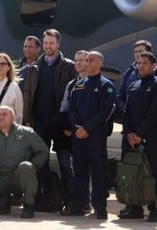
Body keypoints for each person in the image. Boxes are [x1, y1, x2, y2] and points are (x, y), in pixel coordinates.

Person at [22, 29, 77, 201]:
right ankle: (43, 198)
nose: (48, 46)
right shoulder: (35, 66)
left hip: (60, 124)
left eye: (51, 43)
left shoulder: (68, 66)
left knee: (65, 163)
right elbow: (28, 94)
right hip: (39, 122)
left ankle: (71, 200)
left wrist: (69, 123)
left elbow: (74, 97)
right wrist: (28, 119)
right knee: (40, 162)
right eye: (45, 43)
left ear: (58, 44)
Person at [119, 51, 157, 222]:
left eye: (145, 63)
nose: (141, 65)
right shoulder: (134, 85)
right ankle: (134, 206)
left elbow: (154, 113)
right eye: (139, 63)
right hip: (131, 137)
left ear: (154, 66)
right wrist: (130, 132)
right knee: (131, 170)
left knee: (152, 171)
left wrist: (139, 134)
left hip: (149, 137)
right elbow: (126, 112)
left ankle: (155, 207)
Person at [0, 106, 48, 218]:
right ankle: (4, 202)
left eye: (5, 114)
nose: (1, 117)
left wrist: (34, 166)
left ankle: (29, 204)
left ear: (13, 117)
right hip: (0, 178)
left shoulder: (27, 133)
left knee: (26, 166)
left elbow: (42, 151)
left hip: (19, 177)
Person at [66, 51, 115, 219]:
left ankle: (100, 207)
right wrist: (76, 128)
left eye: (90, 60)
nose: (87, 63)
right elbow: (71, 109)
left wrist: (87, 128)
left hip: (95, 136)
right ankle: (79, 204)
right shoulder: (78, 85)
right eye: (86, 60)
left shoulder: (106, 85)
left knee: (99, 172)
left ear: (100, 63)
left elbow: (104, 111)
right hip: (78, 136)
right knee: (79, 171)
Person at [56, 50, 88, 213]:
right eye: (76, 60)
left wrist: (86, 129)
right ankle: (73, 201)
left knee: (84, 169)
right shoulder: (72, 85)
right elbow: (64, 108)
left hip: (89, 134)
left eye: (82, 60)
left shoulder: (97, 83)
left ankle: (85, 201)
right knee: (69, 168)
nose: (79, 63)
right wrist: (67, 128)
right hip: (71, 133)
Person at [116, 40, 157, 113]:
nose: (137, 54)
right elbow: (120, 96)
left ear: (149, 53)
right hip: (130, 120)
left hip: (150, 121)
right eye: (135, 52)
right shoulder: (129, 71)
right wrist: (124, 110)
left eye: (140, 51)